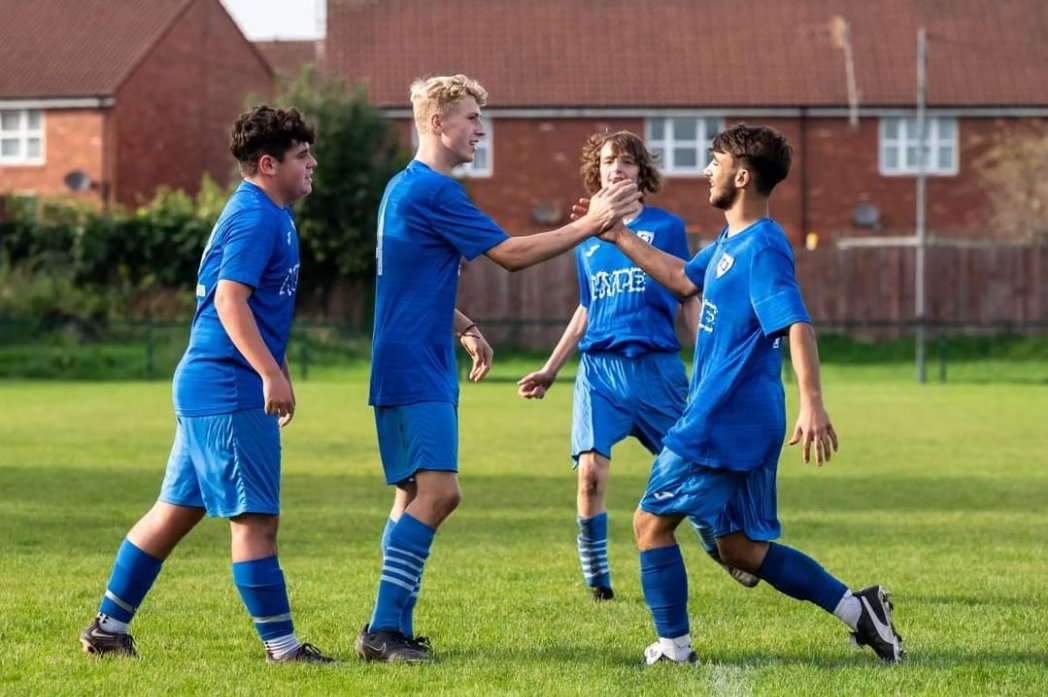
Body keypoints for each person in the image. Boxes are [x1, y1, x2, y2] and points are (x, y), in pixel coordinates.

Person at [588, 124, 905, 665]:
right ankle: (860, 611)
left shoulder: (763, 246)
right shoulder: (729, 245)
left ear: (740, 176)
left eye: (715, 162)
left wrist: (814, 403)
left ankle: (674, 649)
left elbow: (796, 321)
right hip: (743, 418)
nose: (707, 170)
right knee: (739, 548)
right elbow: (685, 280)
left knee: (649, 525)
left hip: (723, 417)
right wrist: (618, 236)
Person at [355, 74, 641, 663]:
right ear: (437, 124)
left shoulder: (400, 189)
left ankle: (393, 631)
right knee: (440, 494)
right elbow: (511, 256)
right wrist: (594, 222)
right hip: (415, 368)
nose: (480, 131)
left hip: (411, 358)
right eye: (470, 120)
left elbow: (407, 280)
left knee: (411, 494)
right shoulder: (435, 192)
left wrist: (460, 324)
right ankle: (383, 630)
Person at [79, 106, 333, 664]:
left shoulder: (273, 213)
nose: (313, 163)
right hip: (227, 387)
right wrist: (267, 372)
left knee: (175, 512)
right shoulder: (256, 217)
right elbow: (229, 300)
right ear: (268, 164)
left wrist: (279, 366)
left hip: (213, 383)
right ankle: (284, 649)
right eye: (301, 156)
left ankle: (108, 629)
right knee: (256, 519)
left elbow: (258, 307)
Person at [517, 131, 758, 601]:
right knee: (590, 475)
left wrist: (707, 357)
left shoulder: (667, 228)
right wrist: (550, 369)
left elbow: (687, 292)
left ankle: (720, 547)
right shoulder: (585, 235)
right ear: (598, 171)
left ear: (641, 172)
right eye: (609, 161)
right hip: (600, 373)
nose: (617, 169)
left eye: (627, 162)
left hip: (657, 371)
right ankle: (598, 583)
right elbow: (586, 308)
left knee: (692, 468)